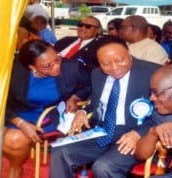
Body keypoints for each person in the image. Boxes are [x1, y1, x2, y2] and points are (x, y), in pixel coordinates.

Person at [50, 35, 161, 178]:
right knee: (59, 150)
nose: (114, 68)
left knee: (104, 167)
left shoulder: (154, 73)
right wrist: (82, 111)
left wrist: (139, 133)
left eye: (120, 60)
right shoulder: (97, 74)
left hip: (136, 134)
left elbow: (167, 113)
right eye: (106, 63)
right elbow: (96, 104)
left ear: (128, 53)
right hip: (101, 130)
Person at [3, 39, 91, 178]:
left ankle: (15, 168)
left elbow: (91, 83)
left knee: (13, 139)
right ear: (32, 67)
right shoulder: (14, 70)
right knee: (7, 138)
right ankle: (15, 167)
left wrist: (75, 96)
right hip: (17, 113)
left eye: (57, 60)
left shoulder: (70, 68)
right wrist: (19, 122)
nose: (56, 67)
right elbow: (0, 100)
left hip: (51, 115)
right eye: (47, 66)